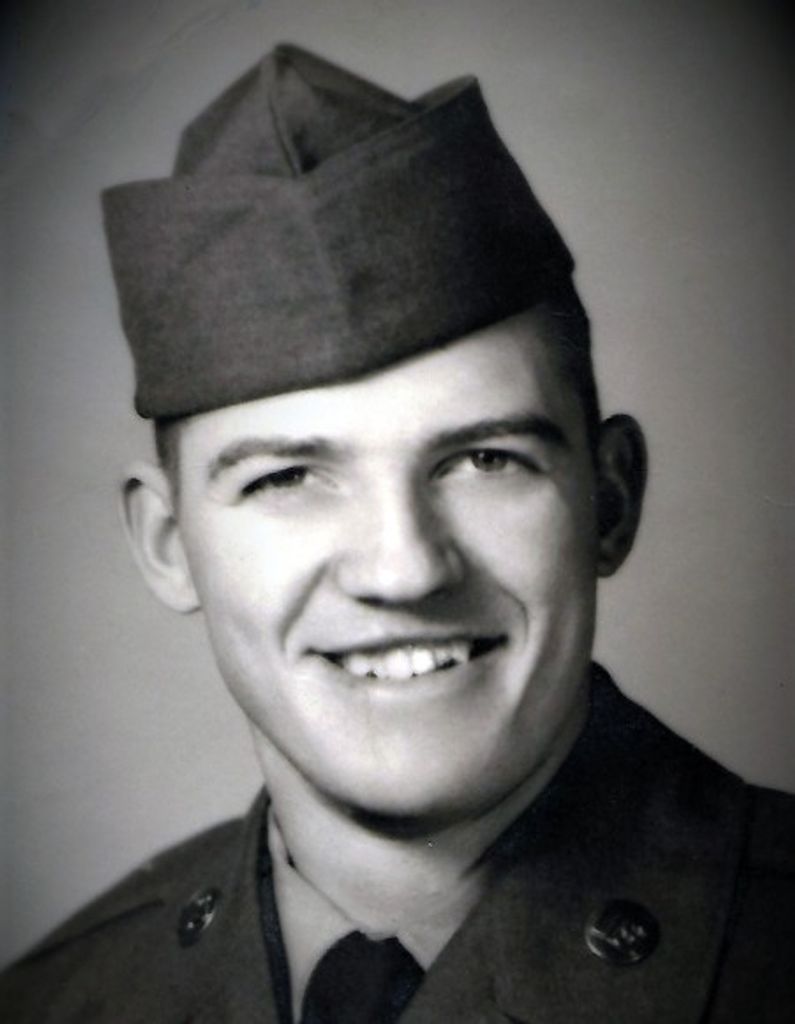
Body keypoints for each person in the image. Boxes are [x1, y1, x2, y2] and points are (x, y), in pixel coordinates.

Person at [1, 43, 793, 1024]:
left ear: (611, 499)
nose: (404, 567)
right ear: (168, 544)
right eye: (288, 477)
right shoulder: (56, 1002)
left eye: (485, 459)